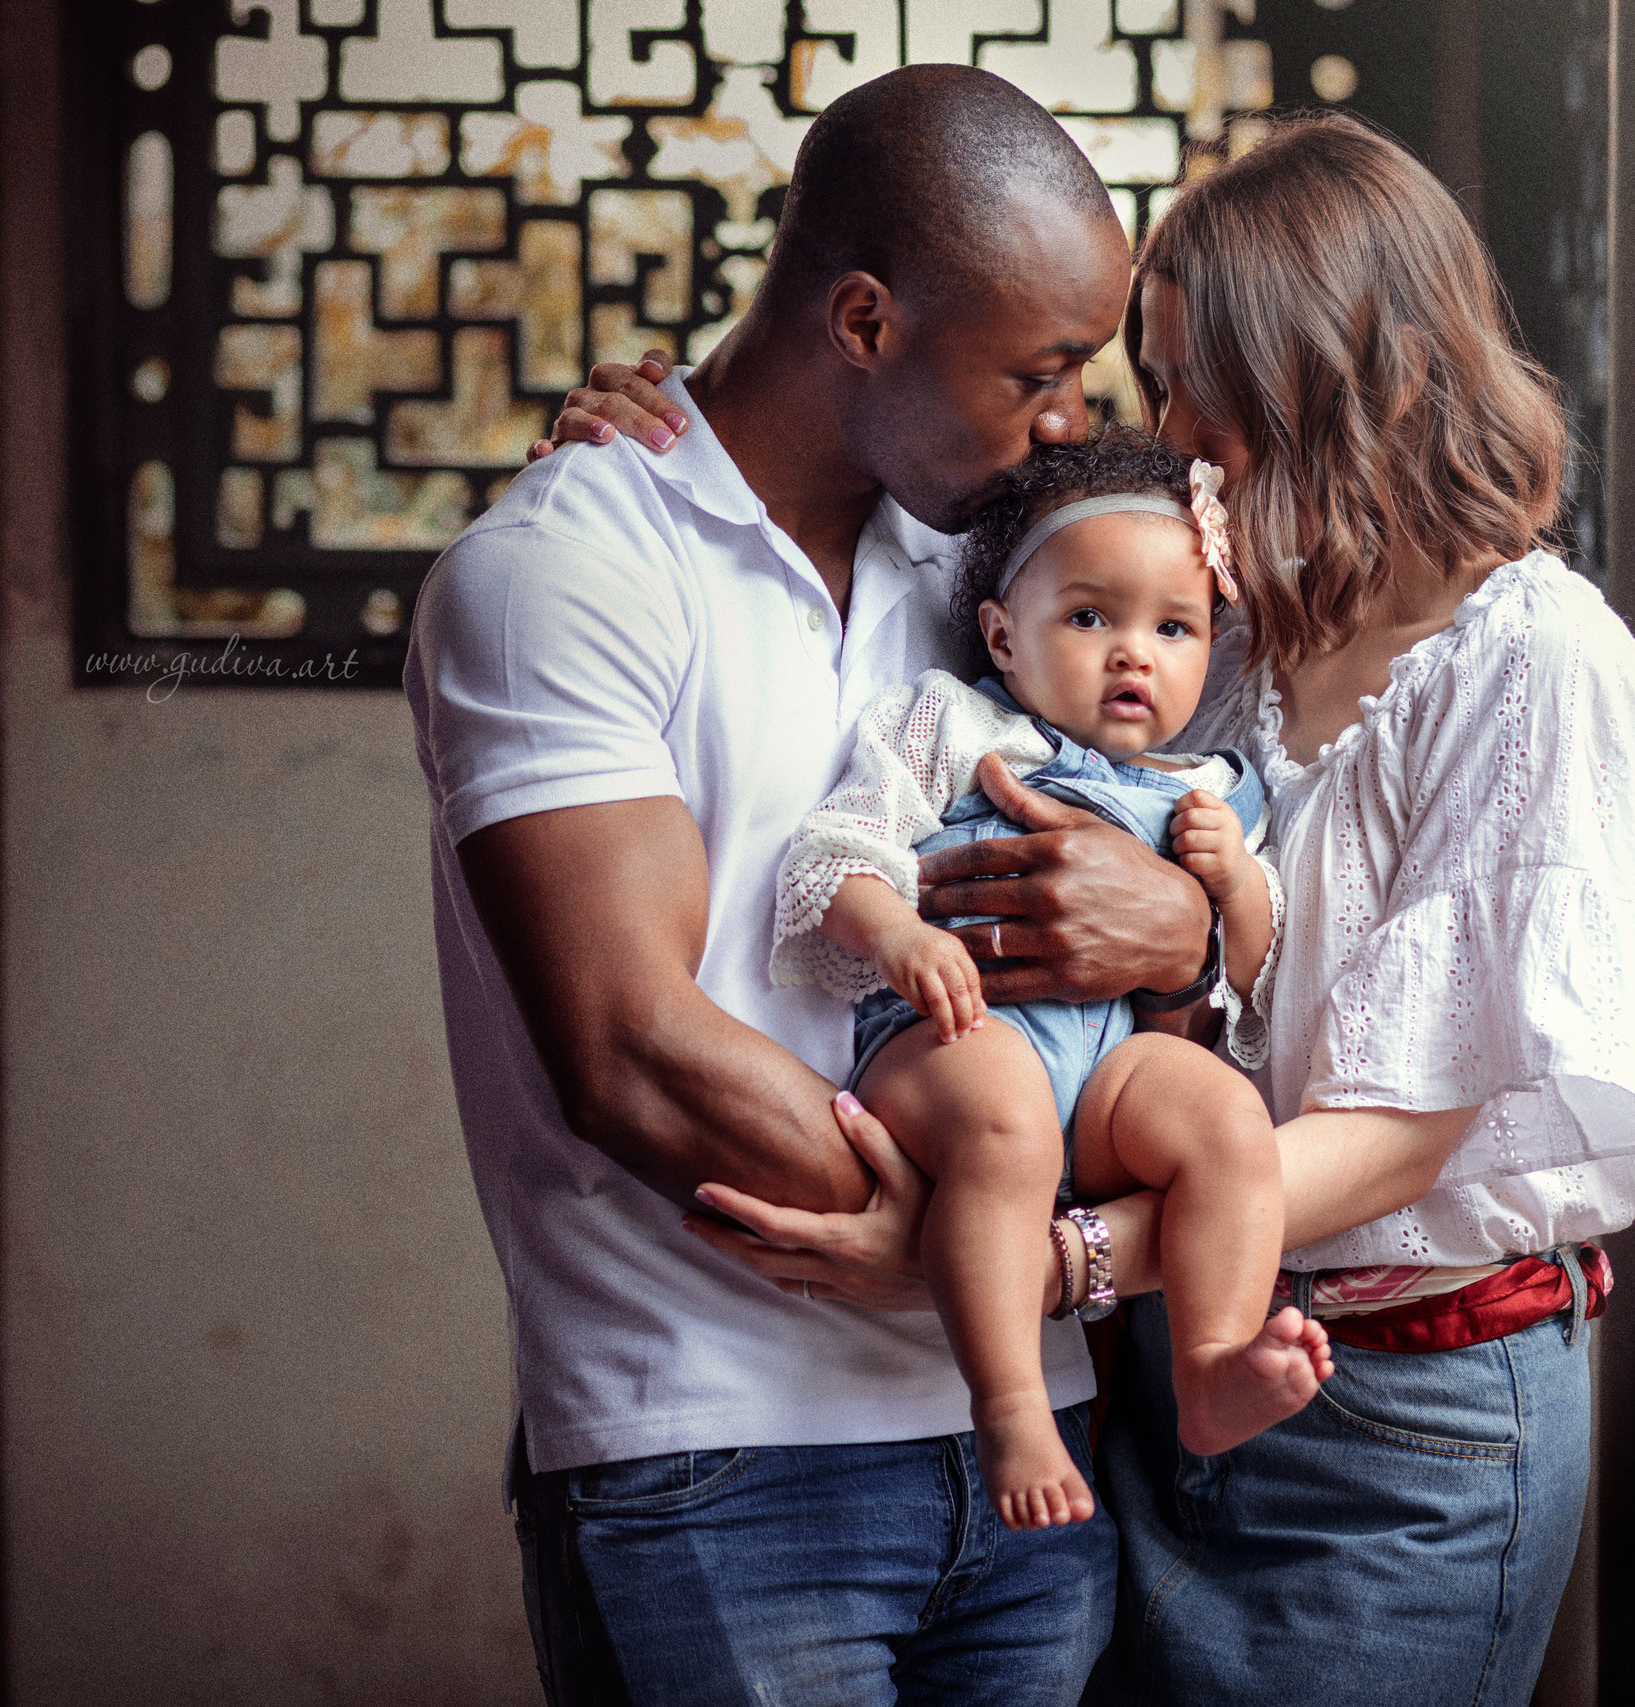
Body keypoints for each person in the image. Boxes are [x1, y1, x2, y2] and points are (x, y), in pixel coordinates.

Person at [538, 110, 1635, 1707]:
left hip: (1399, 1415)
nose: (1165, 433)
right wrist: (658, 440)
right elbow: (911, 518)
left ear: (1340, 377)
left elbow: (1403, 1132)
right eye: (1151, 381)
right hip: (1171, 1377)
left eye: (1191, 382)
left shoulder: (1537, 664)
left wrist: (1038, 1258)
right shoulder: (1236, 634)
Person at [408, 64, 1234, 1707]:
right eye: (1040, 372)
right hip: (717, 1446)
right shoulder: (570, 568)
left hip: (1031, 1440)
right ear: (865, 320)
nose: (1069, 420)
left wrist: (1196, 924)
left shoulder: (990, 567)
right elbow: (629, 1049)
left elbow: (1170, 799)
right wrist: (981, 1243)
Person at [774, 428, 1330, 1533]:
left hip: (1108, 1066)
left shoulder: (1212, 788)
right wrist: (900, 937)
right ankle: (1012, 1404)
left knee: (1227, 1121)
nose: (1133, 656)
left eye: (1172, 628)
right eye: (1088, 618)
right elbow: (833, 855)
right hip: (954, 1036)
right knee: (1010, 1125)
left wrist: (1233, 883)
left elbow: (1254, 965)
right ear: (1003, 635)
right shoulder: (954, 723)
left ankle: (1212, 1364)